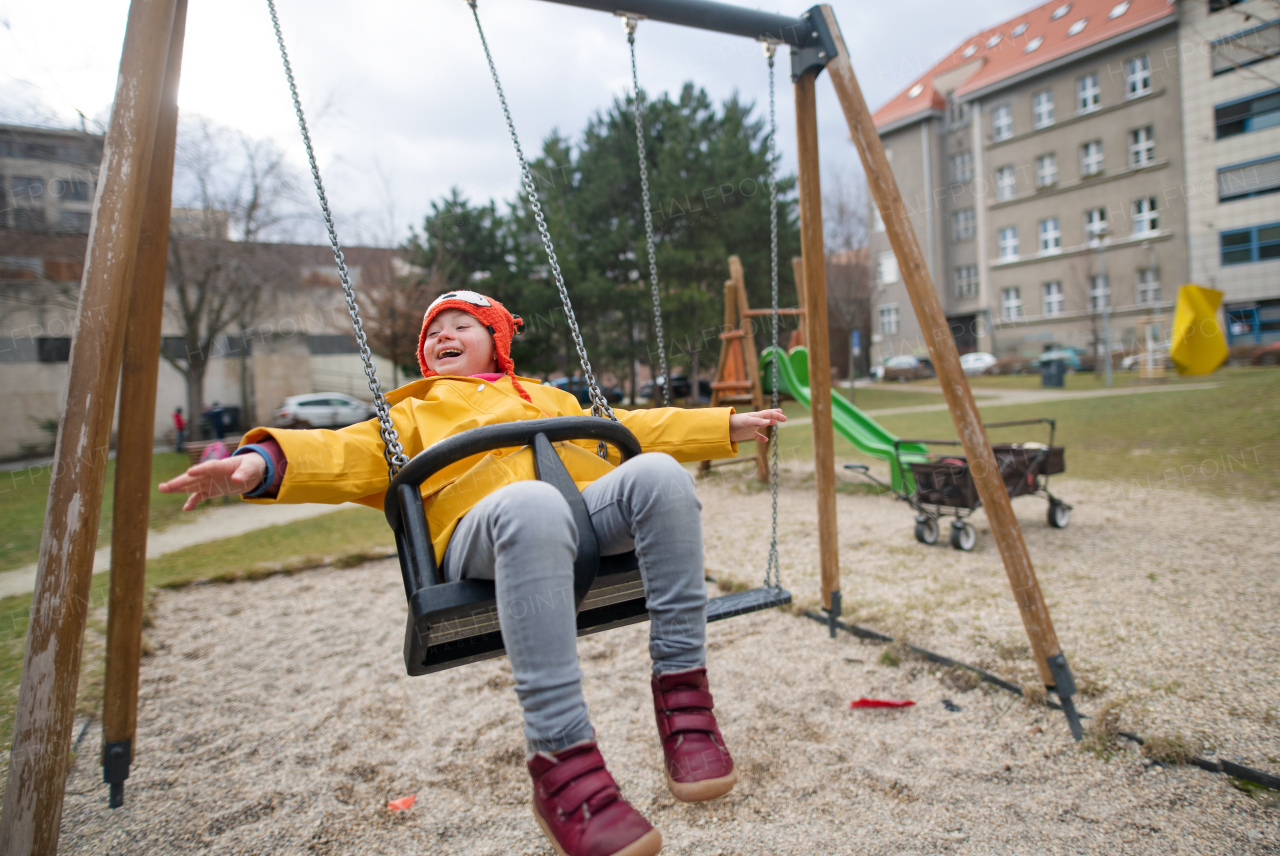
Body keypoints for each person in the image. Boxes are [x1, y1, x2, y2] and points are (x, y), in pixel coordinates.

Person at [159, 290, 784, 856]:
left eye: (461, 324)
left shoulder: (549, 398)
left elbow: (635, 427)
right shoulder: (412, 413)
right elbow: (340, 449)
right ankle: (561, 756)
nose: (442, 336)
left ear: (497, 342)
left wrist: (724, 424)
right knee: (531, 506)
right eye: (434, 331)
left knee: (661, 477)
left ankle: (684, 699)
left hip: (580, 516)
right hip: (480, 534)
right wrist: (259, 463)